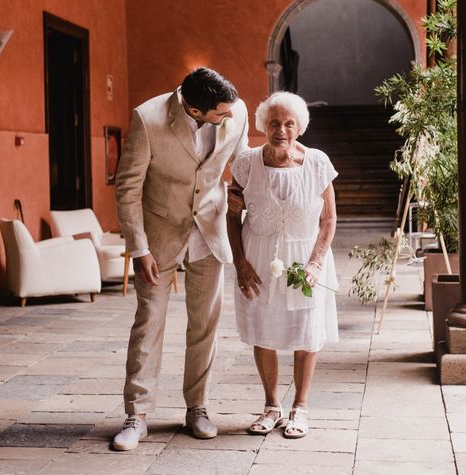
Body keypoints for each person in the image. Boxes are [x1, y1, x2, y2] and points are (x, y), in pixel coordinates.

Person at [113, 67, 249, 450]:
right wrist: (138, 248)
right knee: (149, 322)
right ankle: (136, 416)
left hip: (210, 230)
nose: (230, 116)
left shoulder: (235, 111)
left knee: (204, 323)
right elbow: (128, 187)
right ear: (194, 108)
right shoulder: (148, 117)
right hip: (159, 236)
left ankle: (198, 408)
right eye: (221, 113)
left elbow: (241, 168)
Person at [226, 91, 338, 439]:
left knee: (306, 331)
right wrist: (241, 263)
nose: (282, 130)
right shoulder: (246, 164)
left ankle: (300, 408)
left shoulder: (318, 163)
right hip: (258, 258)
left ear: (300, 127)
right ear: (263, 125)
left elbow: (329, 220)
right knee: (264, 330)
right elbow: (232, 217)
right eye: (274, 123)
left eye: (289, 123)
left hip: (306, 260)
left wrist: (316, 262)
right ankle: (271, 406)